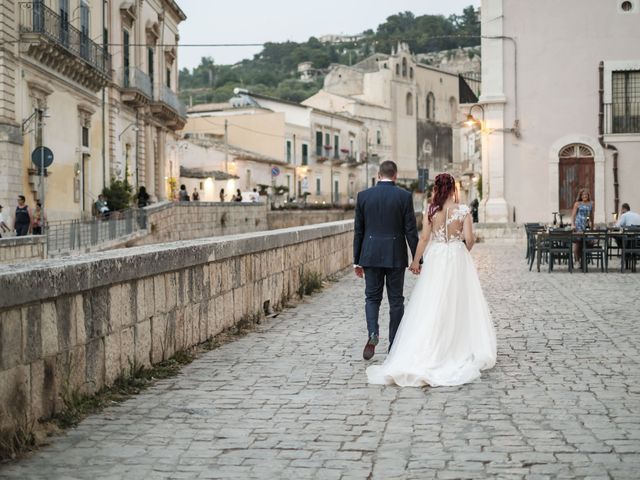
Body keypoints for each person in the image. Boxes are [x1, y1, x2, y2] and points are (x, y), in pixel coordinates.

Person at [367, 173, 497, 387]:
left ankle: (428, 345)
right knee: (459, 300)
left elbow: (424, 238)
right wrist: (462, 250)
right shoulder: (463, 210)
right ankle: (457, 344)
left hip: (437, 257)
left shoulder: (431, 210)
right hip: (456, 256)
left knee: (433, 299)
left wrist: (416, 261)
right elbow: (470, 239)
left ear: (437, 188)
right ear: (453, 188)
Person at [353, 160, 419, 361]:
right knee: (396, 301)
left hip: (370, 255)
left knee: (372, 298)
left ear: (378, 175)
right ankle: (394, 345)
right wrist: (418, 258)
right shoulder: (404, 196)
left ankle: (373, 333)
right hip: (395, 255)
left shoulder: (363, 196)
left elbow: (359, 231)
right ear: (396, 176)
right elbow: (410, 230)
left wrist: (357, 261)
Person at [571, 188, 594, 263]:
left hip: (586, 224)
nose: (585, 196)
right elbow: (573, 215)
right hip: (578, 224)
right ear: (580, 196)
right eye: (583, 195)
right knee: (577, 242)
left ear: (588, 195)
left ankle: (583, 259)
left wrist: (592, 226)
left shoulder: (591, 203)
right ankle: (577, 261)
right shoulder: (577, 203)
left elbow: (591, 216)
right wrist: (573, 224)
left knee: (588, 241)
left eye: (586, 194)